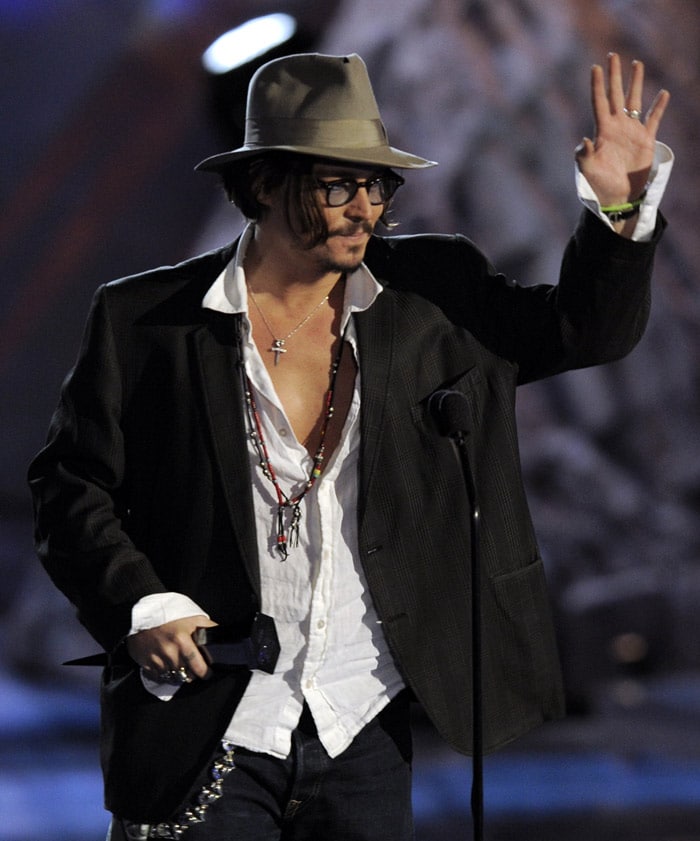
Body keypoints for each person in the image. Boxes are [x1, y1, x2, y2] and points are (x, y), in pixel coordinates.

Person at [29, 51, 671, 841]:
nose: (364, 206)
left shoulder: (434, 293)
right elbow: (69, 485)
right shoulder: (146, 321)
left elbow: (586, 331)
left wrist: (618, 206)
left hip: (362, 725)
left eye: (377, 185)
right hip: (209, 729)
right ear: (264, 182)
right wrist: (141, 603)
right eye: (338, 183)